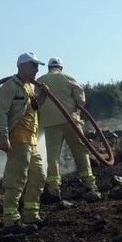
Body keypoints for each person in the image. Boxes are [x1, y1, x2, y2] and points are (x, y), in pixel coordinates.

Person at [0, 52, 48, 228]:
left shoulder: (29, 88)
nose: (37, 69)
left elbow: (34, 108)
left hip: (32, 141)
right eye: (33, 65)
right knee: (16, 180)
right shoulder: (9, 87)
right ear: (22, 66)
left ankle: (31, 215)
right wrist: (2, 137)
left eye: (37, 66)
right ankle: (11, 219)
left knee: (39, 177)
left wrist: (42, 96)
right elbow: (0, 113)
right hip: (18, 140)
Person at [37, 57, 101, 201]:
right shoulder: (68, 78)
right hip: (71, 122)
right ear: (61, 68)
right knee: (80, 152)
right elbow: (81, 100)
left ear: (48, 67)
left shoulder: (40, 80)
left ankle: (53, 189)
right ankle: (90, 185)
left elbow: (35, 101)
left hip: (50, 124)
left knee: (52, 157)